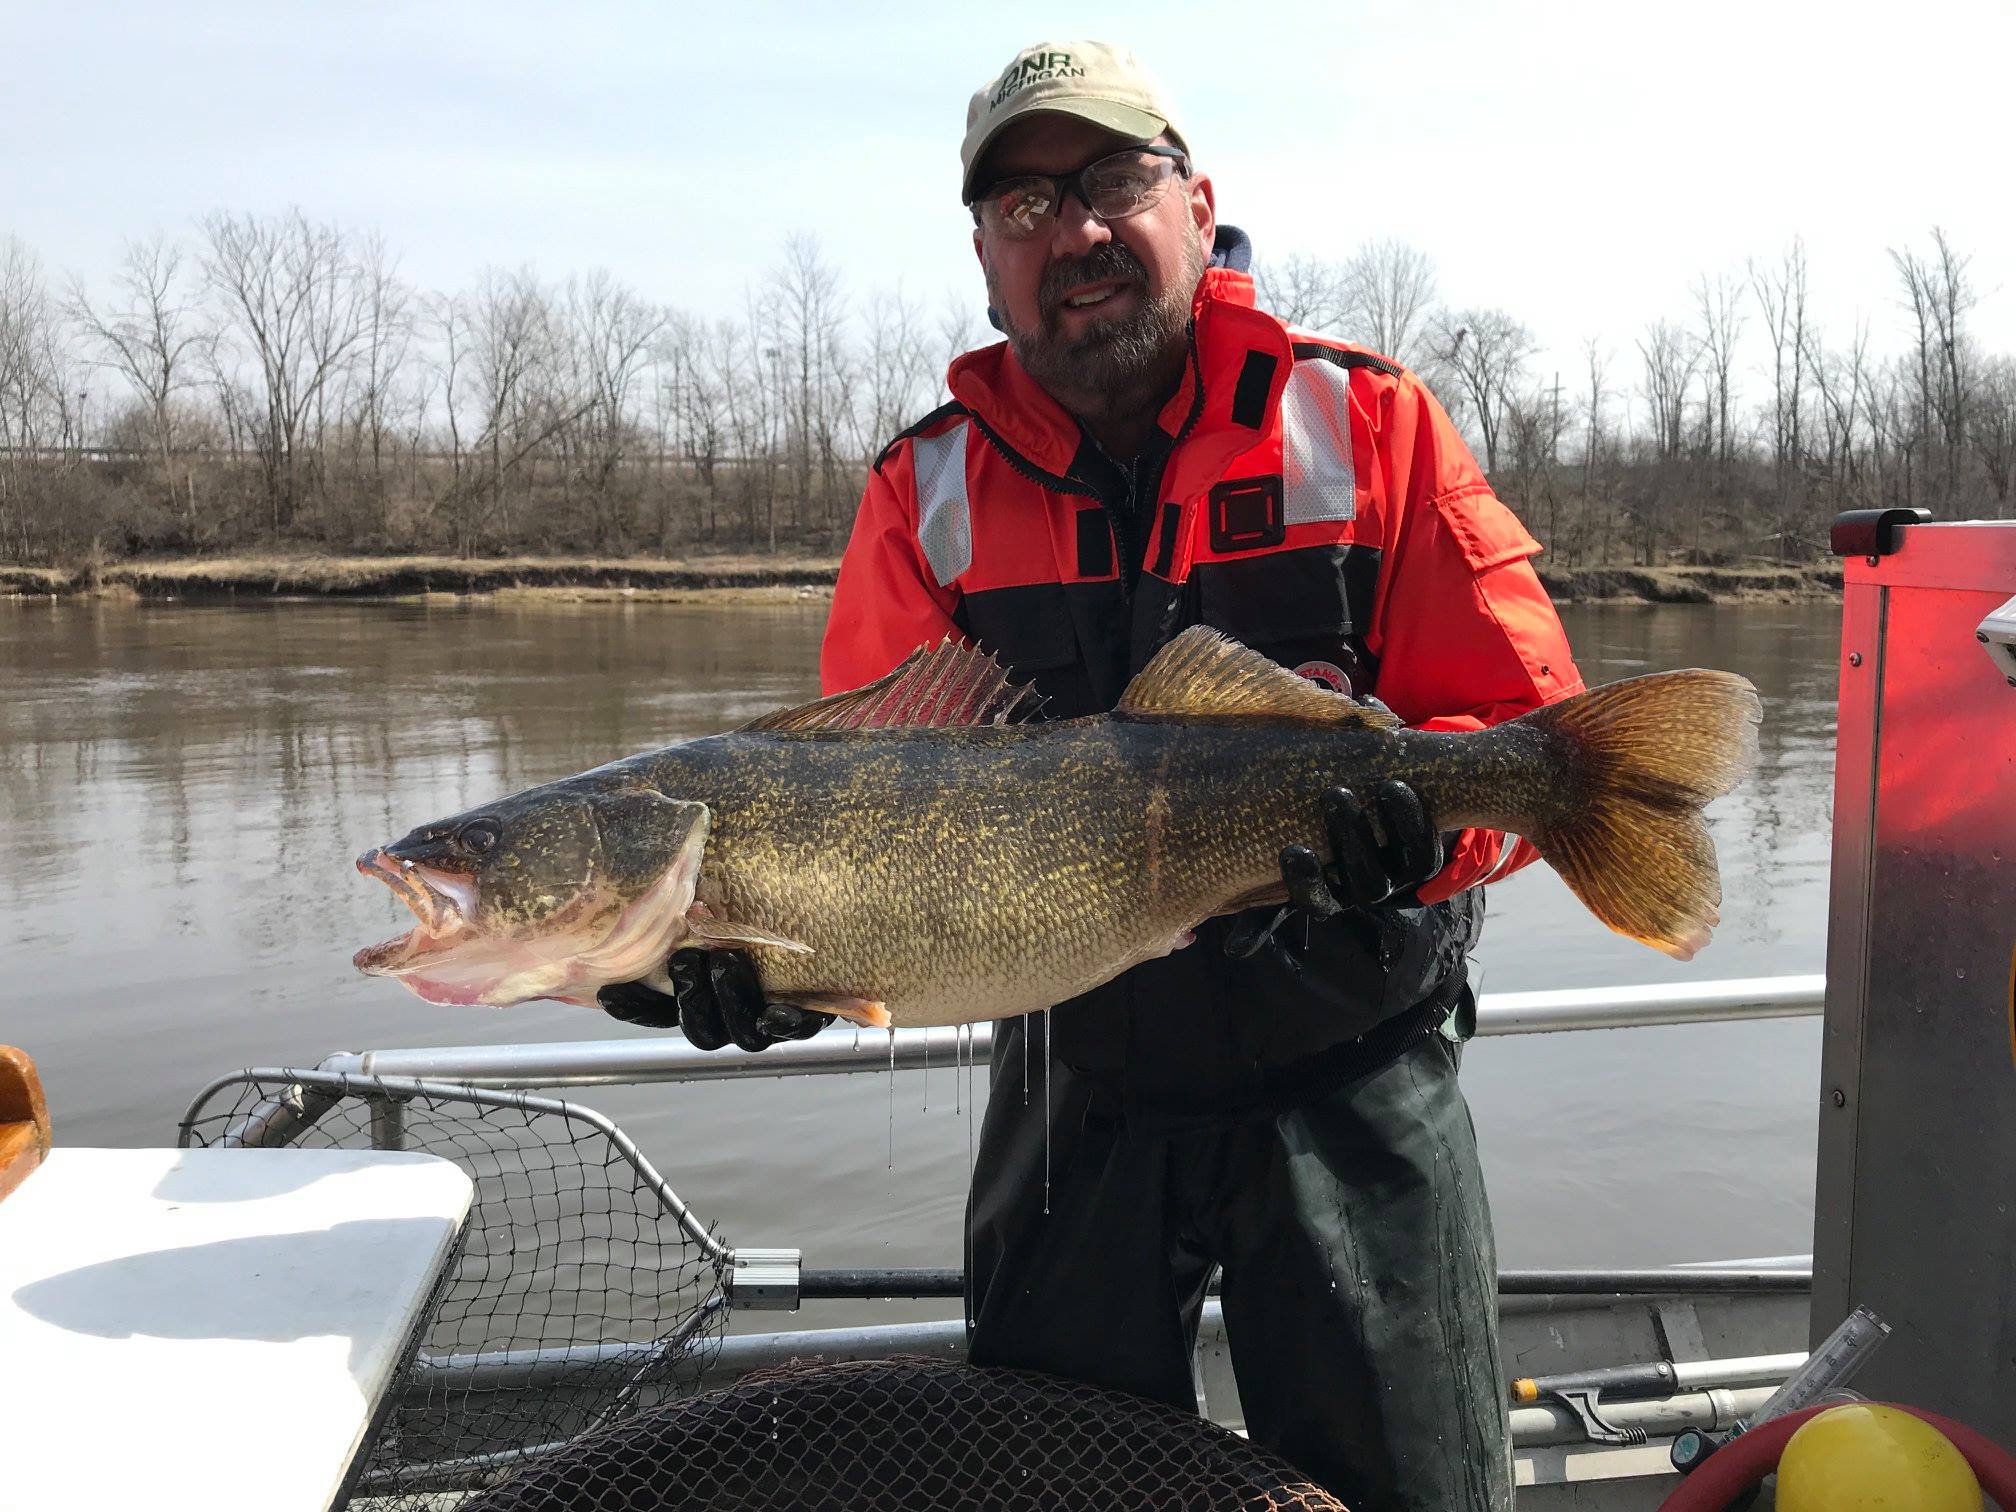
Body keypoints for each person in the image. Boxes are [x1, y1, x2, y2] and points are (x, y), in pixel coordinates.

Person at [600, 39, 1583, 1512]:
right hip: (1078, 1086)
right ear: (988, 266)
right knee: (1061, 1481)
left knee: (1414, 1486)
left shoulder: (1374, 426)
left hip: (1354, 1070)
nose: (1073, 231)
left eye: (1112, 180)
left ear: (1196, 203)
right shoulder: (919, 490)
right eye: (1021, 205)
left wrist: (1423, 835)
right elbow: (863, 823)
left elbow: (1523, 719)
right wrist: (736, 966)